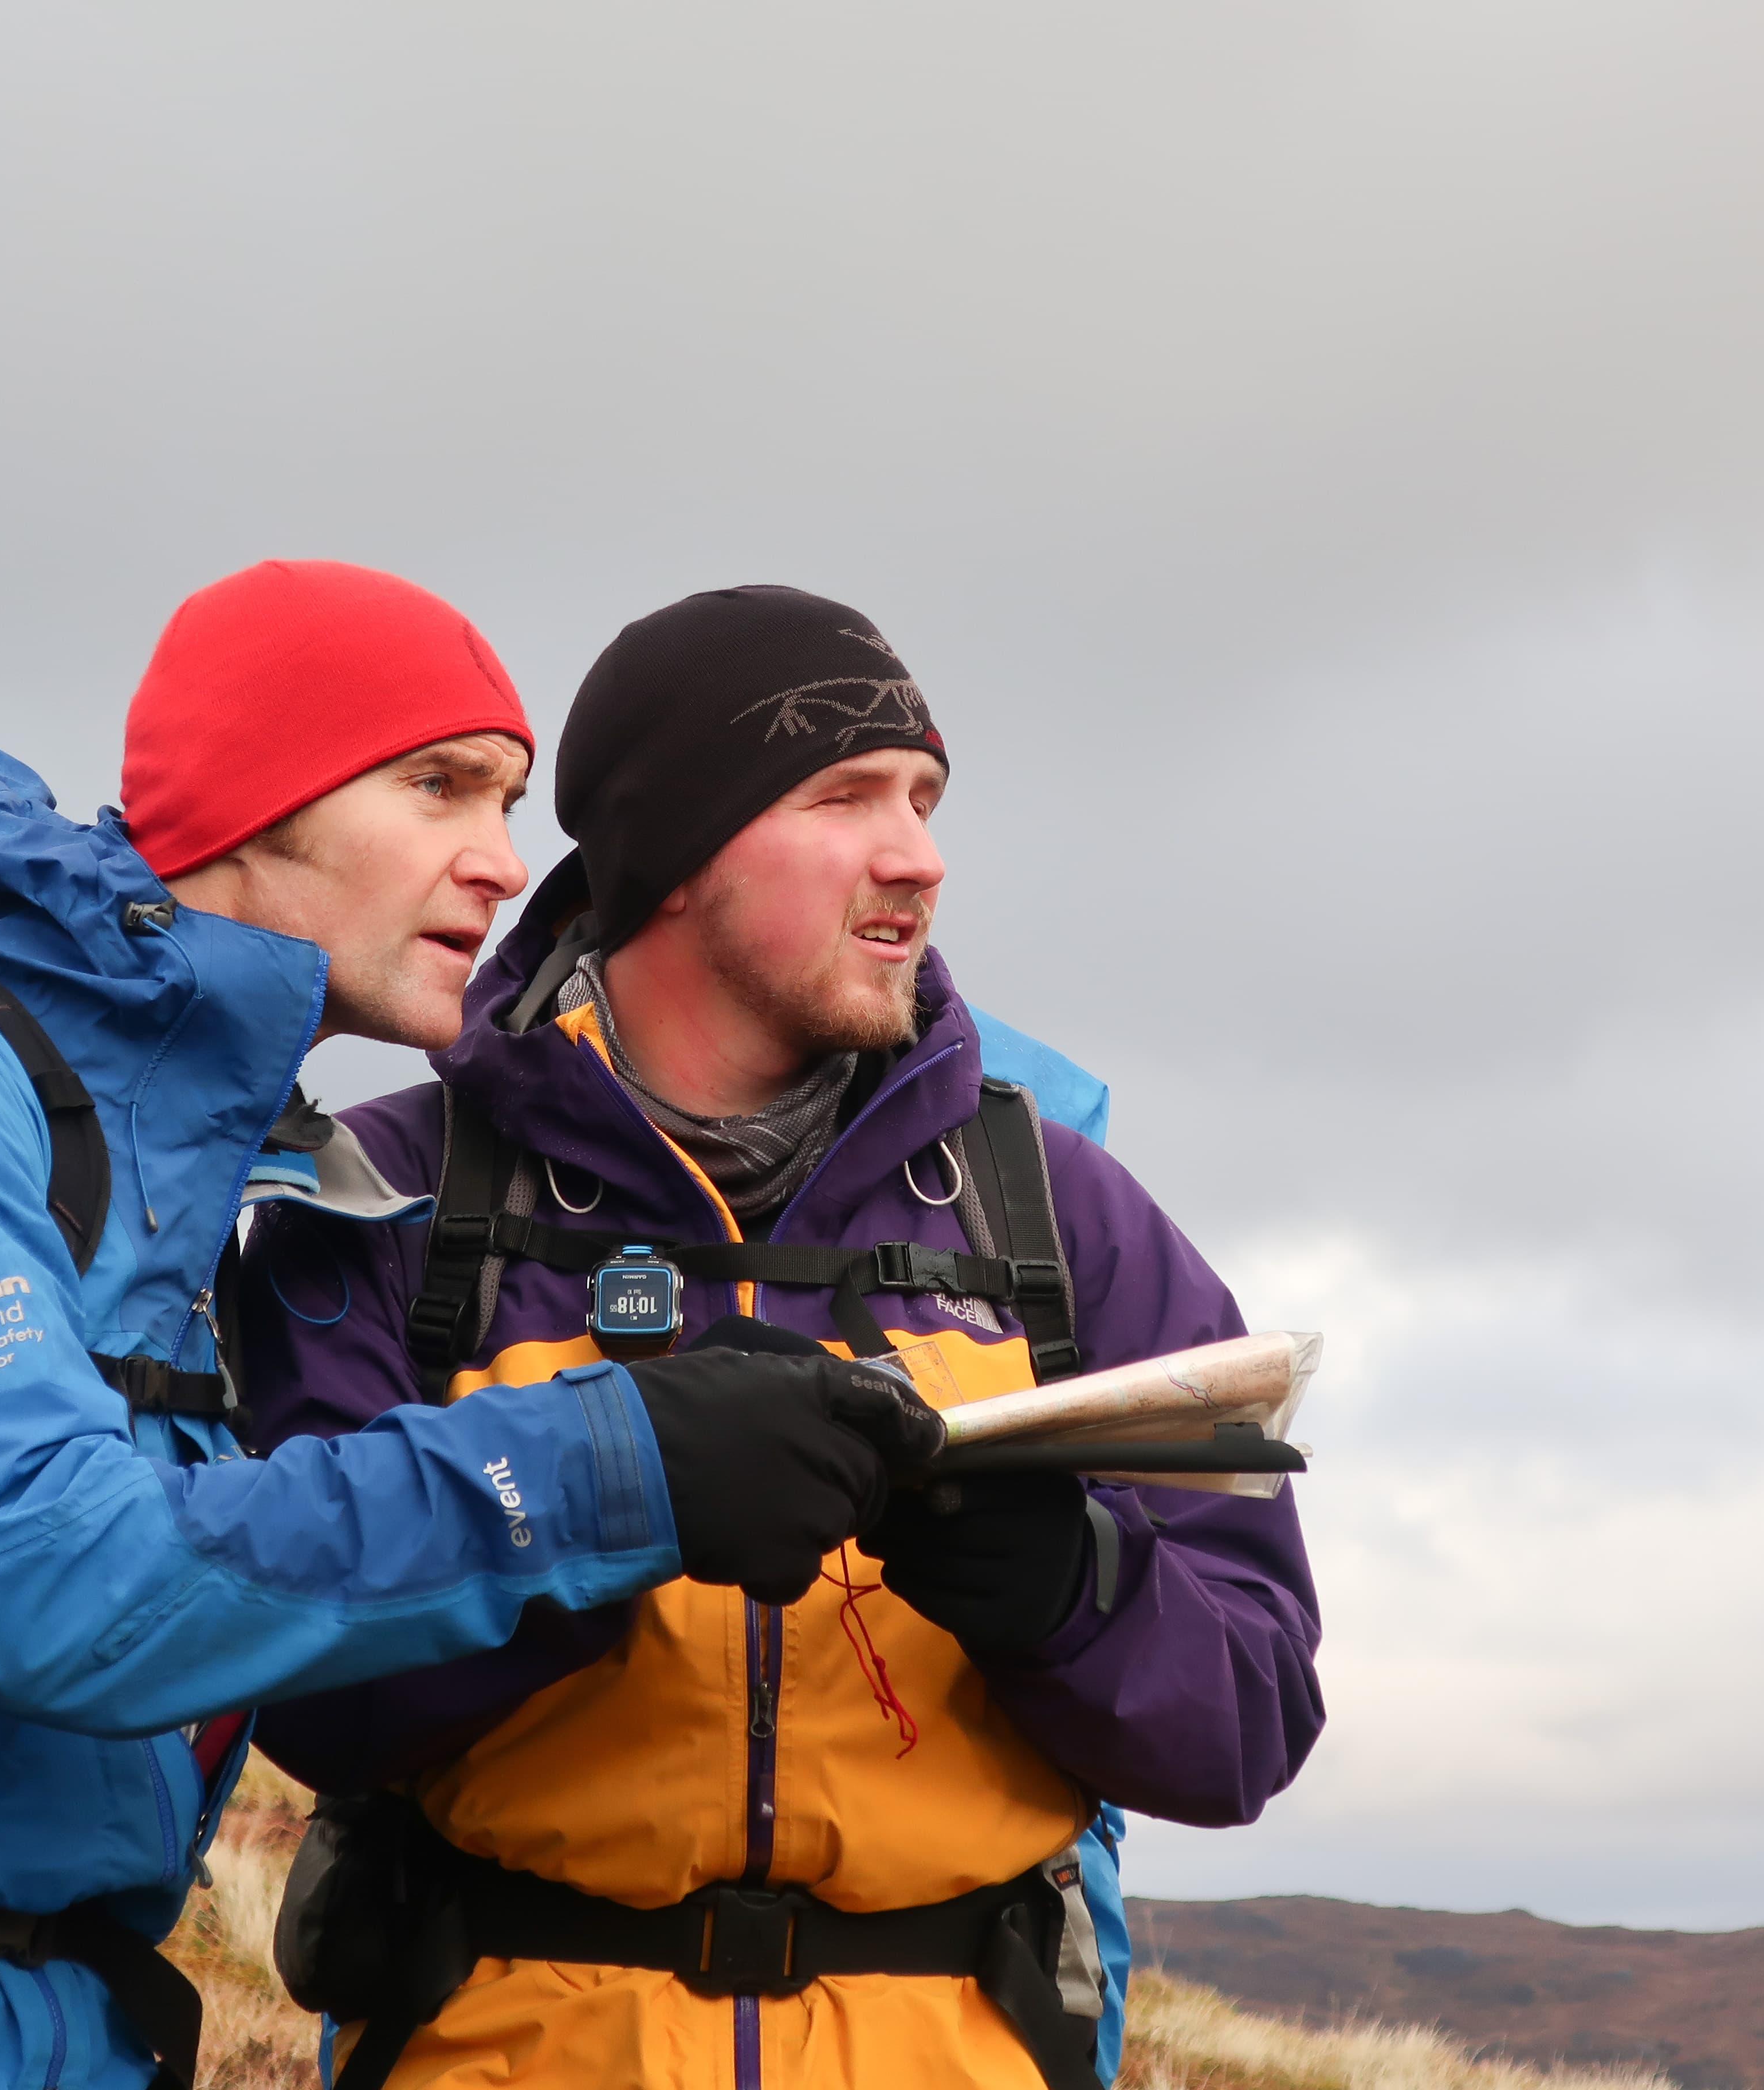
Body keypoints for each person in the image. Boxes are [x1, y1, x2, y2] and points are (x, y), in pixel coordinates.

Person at [0, 562, 935, 2089]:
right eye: (439, 789)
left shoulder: (202, 1189)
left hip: (34, 2030)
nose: (498, 863)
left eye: (507, 804)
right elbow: (47, 1582)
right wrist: (611, 1466)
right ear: (252, 802)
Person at [234, 584, 1327, 2090]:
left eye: (926, 801)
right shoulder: (385, 1202)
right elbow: (306, 1696)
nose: (919, 858)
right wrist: (611, 1517)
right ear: (678, 856)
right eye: (847, 798)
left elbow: (1251, 1728)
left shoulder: (1060, 1215)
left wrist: (1069, 1591)